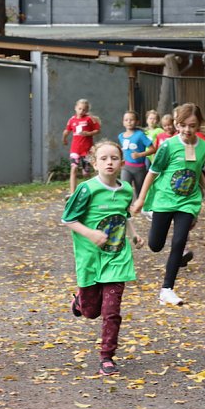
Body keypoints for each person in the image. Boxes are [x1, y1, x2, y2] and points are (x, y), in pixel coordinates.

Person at [62, 141, 144, 376]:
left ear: (122, 162)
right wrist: (91, 234)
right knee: (91, 311)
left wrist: (134, 235)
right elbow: (68, 219)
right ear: (94, 163)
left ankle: (107, 356)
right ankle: (80, 301)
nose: (109, 162)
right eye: (104, 158)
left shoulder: (126, 189)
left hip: (117, 258)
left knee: (111, 311)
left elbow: (124, 215)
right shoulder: (87, 189)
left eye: (114, 158)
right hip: (90, 258)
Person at [131, 103, 205, 306]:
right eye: (183, 125)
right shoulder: (168, 146)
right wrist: (142, 199)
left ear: (199, 125)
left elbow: (199, 172)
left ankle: (167, 289)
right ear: (177, 125)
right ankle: (153, 217)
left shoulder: (204, 147)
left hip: (188, 201)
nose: (187, 130)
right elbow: (152, 172)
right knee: (155, 245)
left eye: (192, 125)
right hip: (164, 199)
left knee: (179, 242)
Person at [62, 99, 101, 196]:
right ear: (75, 108)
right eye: (79, 109)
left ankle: (92, 190)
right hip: (75, 149)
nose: (81, 111)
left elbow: (97, 130)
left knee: (86, 173)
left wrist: (88, 133)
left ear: (87, 110)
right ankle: (72, 193)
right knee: (73, 168)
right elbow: (67, 131)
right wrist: (64, 139)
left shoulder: (89, 119)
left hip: (87, 151)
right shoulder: (72, 120)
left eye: (84, 109)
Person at [118, 111, 153, 197]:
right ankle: (126, 208)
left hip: (139, 168)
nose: (129, 122)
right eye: (126, 120)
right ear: (123, 122)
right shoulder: (121, 136)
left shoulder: (140, 135)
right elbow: (124, 149)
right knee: (124, 189)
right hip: (126, 167)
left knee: (140, 191)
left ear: (137, 122)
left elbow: (153, 149)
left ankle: (141, 208)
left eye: (131, 120)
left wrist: (140, 155)